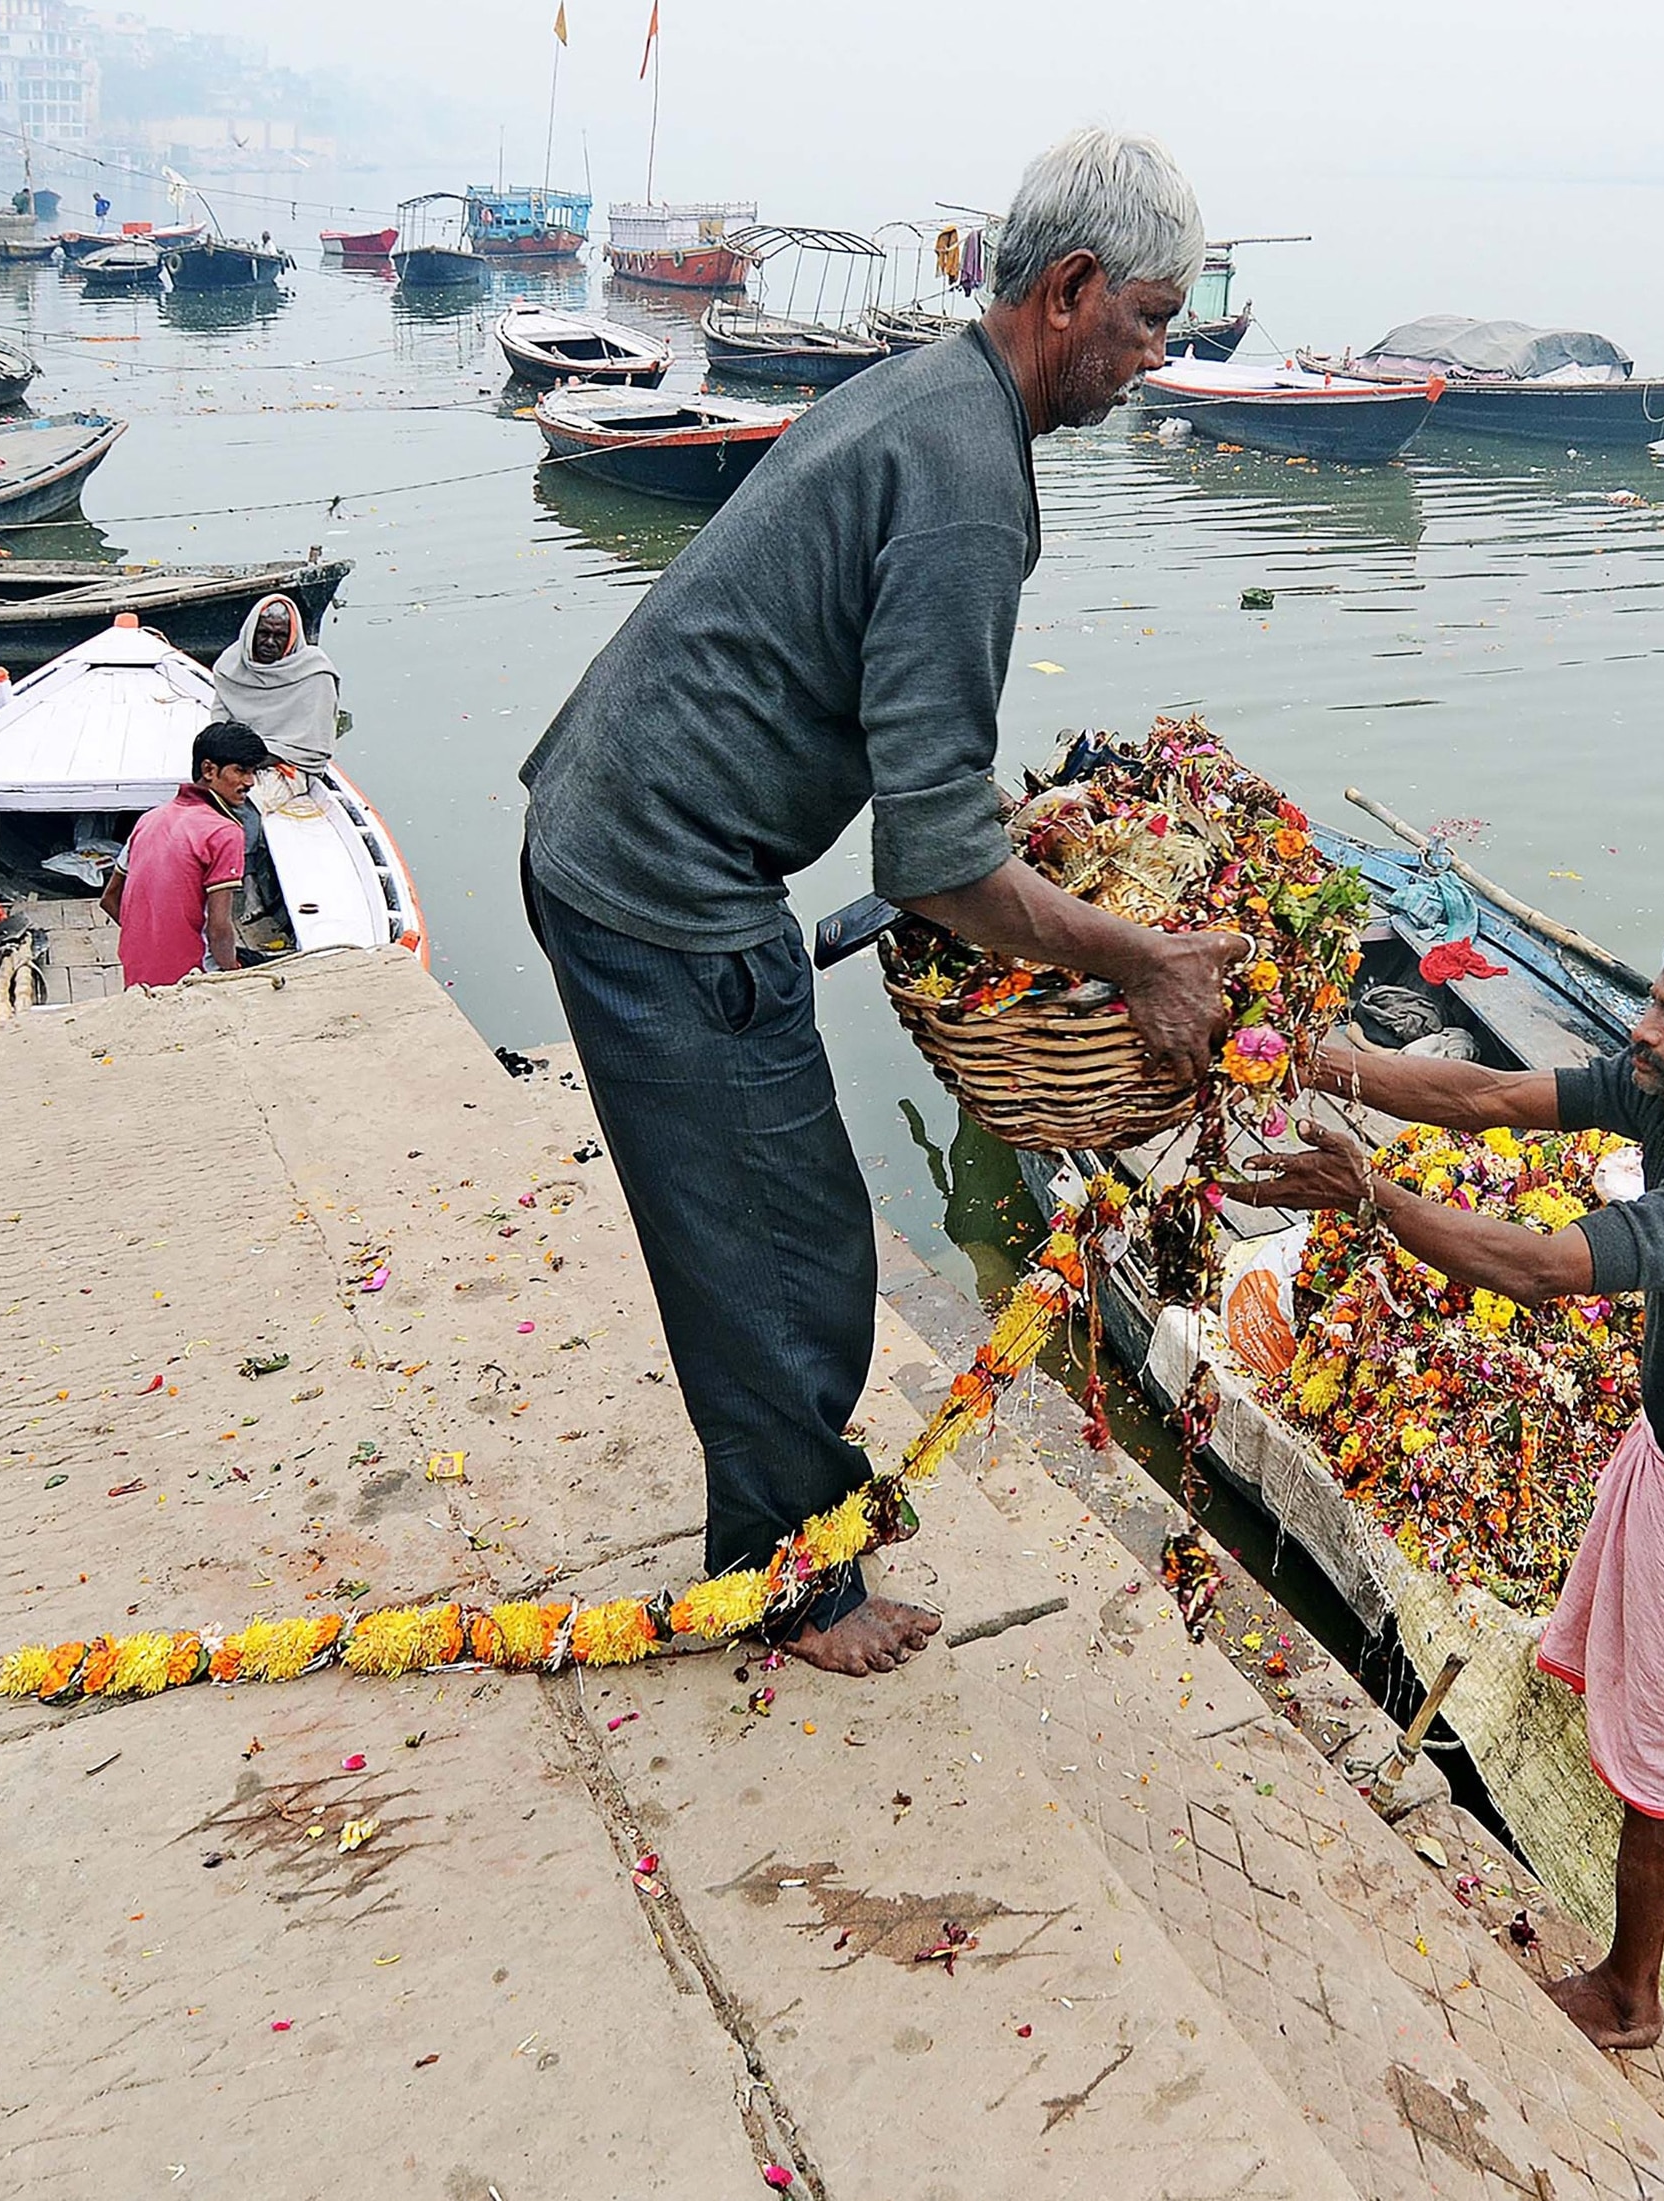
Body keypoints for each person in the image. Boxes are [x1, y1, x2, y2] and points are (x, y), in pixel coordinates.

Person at [517, 128, 1242, 1680]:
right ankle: (797, 1587)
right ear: (1071, 290)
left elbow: (925, 777)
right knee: (787, 1254)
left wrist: (1016, 830)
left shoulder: (938, 400)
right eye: (1156, 320)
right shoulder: (972, 481)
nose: (1158, 356)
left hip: (626, 821)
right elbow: (929, 867)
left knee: (768, 1233)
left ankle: (775, 1553)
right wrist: (1144, 958)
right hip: (657, 877)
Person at [1222, 921, 1664, 2053]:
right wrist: (1310, 1060)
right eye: (1653, 1003)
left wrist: (1371, 1197)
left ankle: (1630, 1994)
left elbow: (1538, 1268)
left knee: (1663, 1771)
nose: (1644, 1029)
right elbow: (1485, 1096)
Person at [105, 721, 269, 989]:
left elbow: (110, 899)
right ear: (209, 770)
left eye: (253, 773)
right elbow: (218, 930)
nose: (249, 782)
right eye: (240, 771)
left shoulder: (149, 819)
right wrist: (234, 974)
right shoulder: (224, 832)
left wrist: (155, 940)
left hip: (137, 975)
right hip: (191, 978)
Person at [212, 593, 340, 785]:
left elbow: (314, 747)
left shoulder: (315, 672)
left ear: (292, 637)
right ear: (251, 633)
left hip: (291, 764)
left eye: (280, 636)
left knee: (242, 799)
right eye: (264, 633)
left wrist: (255, 762)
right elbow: (219, 725)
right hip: (238, 757)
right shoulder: (230, 665)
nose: (270, 642)